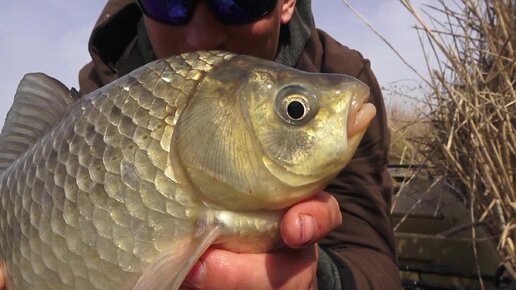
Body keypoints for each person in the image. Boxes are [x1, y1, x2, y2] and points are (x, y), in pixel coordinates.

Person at [0, 0, 400, 289]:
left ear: (287, 2)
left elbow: (372, 259)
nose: (201, 34)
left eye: (238, 2)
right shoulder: (102, 91)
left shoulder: (339, 76)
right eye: (171, 3)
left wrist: (320, 282)